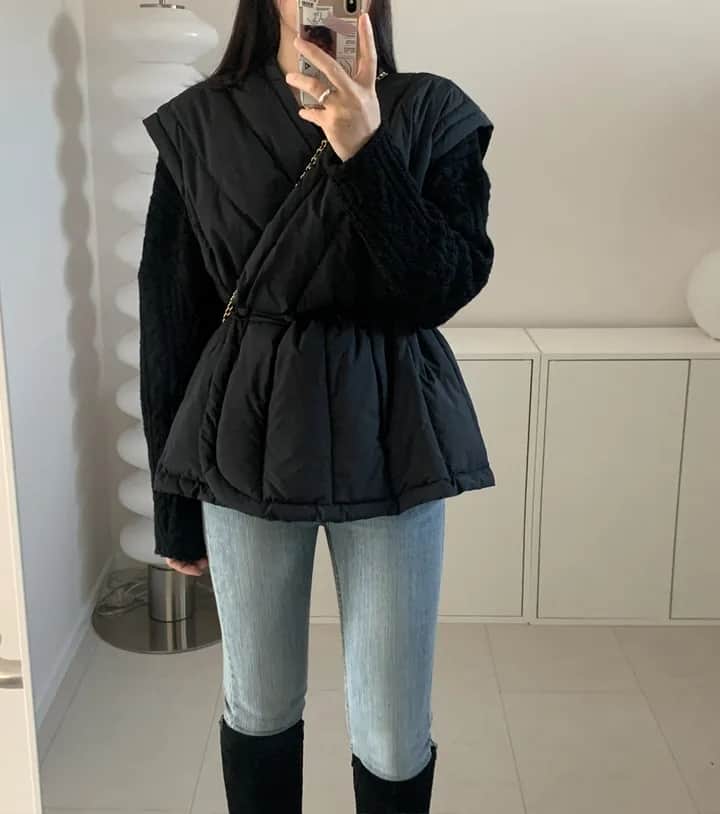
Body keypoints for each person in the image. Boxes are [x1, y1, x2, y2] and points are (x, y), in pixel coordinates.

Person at [137, 1, 495, 811]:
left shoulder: (430, 110)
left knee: (393, 730)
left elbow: (444, 285)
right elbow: (172, 320)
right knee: (259, 704)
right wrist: (172, 504)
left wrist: (366, 151)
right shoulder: (199, 123)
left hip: (394, 434)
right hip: (244, 439)